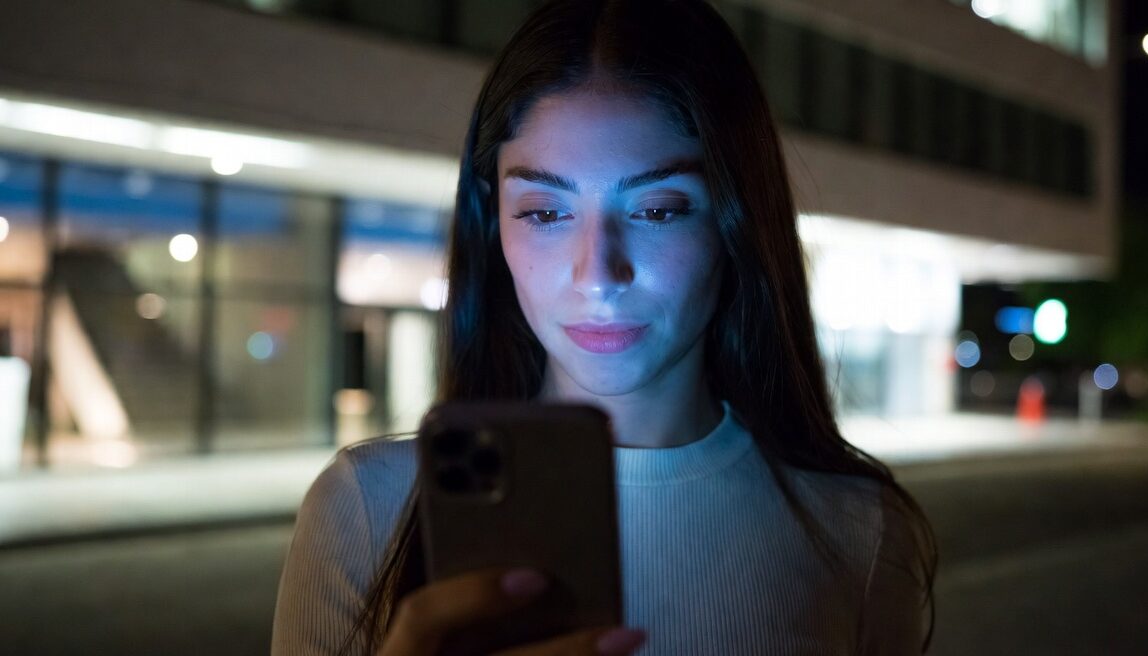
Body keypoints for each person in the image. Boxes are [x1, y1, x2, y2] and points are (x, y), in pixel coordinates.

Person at [271, 0, 937, 654]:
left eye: (657, 210)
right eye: (543, 212)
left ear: (736, 222)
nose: (598, 273)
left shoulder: (858, 532)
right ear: (491, 224)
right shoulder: (366, 510)